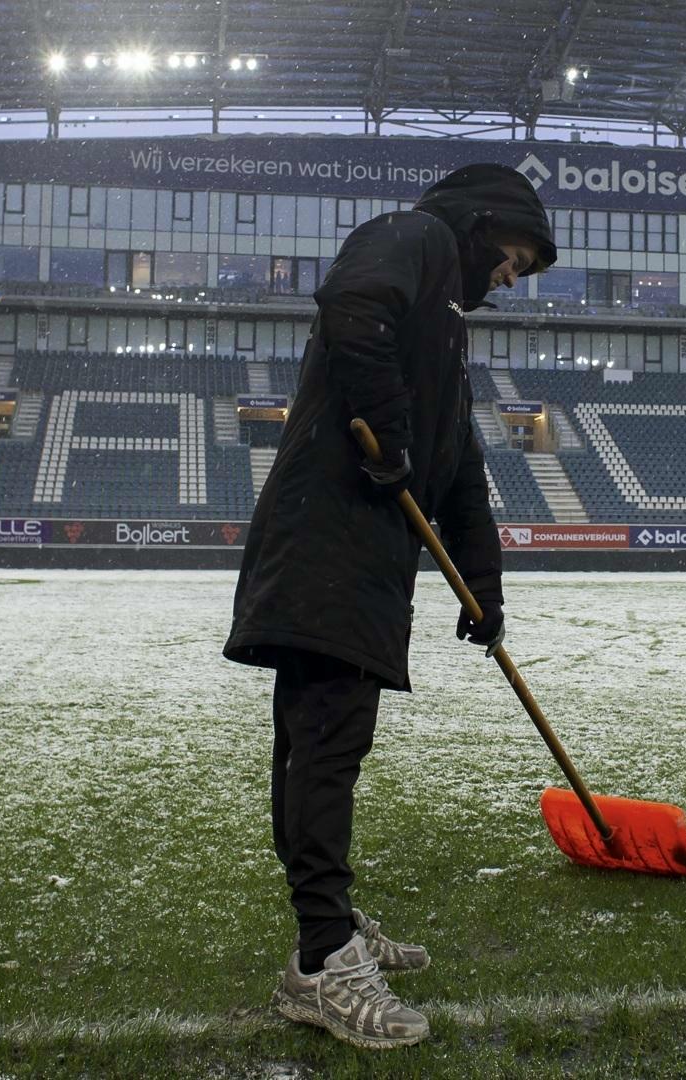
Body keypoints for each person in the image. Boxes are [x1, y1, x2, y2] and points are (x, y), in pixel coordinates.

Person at [223, 163, 557, 1050]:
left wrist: (483, 590)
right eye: (514, 258)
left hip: (358, 557)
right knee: (328, 736)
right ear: (483, 226)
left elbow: (462, 470)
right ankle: (322, 958)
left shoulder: (442, 332)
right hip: (327, 541)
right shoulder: (413, 239)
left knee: (311, 738)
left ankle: (327, 923)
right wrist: (388, 435)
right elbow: (350, 305)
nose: (511, 279)